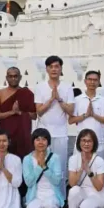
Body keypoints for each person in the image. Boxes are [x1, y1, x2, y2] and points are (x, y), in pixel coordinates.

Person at [33, 56, 74, 184]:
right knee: (42, 164)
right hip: (43, 134)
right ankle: (41, 195)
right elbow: (39, 111)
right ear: (46, 69)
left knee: (60, 167)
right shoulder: (40, 87)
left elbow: (71, 111)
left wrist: (59, 99)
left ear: (61, 68)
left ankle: (60, 199)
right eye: (51, 67)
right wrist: (51, 99)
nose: (54, 69)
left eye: (57, 66)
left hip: (61, 133)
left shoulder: (67, 88)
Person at [65, 129, 104, 208]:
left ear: (94, 143)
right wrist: (81, 168)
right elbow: (72, 183)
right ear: (79, 142)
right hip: (82, 191)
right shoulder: (73, 159)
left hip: (98, 193)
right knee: (73, 190)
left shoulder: (99, 160)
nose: (86, 144)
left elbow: (99, 187)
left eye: (89, 141)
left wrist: (88, 171)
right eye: (83, 140)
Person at [23, 128, 64, 208]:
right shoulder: (27, 159)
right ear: (33, 142)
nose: (41, 142)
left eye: (44, 139)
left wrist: (45, 167)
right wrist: (38, 167)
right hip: (35, 195)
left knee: (50, 207)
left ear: (48, 142)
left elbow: (57, 181)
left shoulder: (55, 158)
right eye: (37, 139)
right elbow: (29, 182)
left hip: (52, 194)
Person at [0, 67, 35, 159]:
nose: (13, 78)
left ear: (20, 77)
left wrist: (20, 113)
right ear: (6, 78)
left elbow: (34, 116)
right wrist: (12, 112)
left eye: (15, 76)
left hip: (23, 136)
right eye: (10, 76)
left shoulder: (27, 93)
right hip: (6, 135)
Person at [69, 70, 104, 158]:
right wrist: (85, 115)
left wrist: (94, 115)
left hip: (98, 141)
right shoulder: (77, 99)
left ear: (99, 82)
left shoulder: (102, 100)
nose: (92, 82)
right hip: (81, 142)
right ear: (85, 81)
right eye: (90, 79)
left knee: (98, 169)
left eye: (95, 80)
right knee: (80, 169)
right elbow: (71, 120)